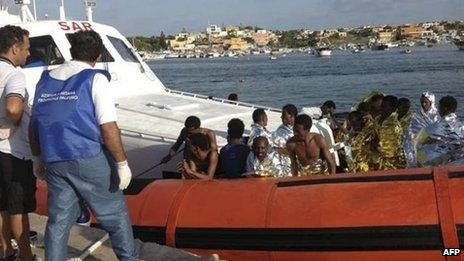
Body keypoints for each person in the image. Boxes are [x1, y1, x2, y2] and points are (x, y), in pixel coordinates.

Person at [29, 30, 137, 261]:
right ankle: (128, 258)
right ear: (97, 55)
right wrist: (122, 163)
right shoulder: (95, 78)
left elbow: (34, 123)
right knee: (115, 215)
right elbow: (108, 128)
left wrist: (37, 158)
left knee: (59, 220)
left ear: (71, 51)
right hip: (87, 156)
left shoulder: (45, 80)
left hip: (54, 160)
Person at [0, 25, 37, 261]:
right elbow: (14, 106)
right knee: (17, 208)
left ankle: (6, 252)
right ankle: (26, 256)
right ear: (15, 48)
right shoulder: (14, 75)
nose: (29, 53)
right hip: (13, 153)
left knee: (1, 205)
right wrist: (11, 124)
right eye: (27, 48)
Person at [416, 96, 464, 167]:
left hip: (441, 167)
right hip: (460, 165)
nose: (438, 110)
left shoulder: (434, 127)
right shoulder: (462, 125)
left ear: (445, 109)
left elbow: (417, 141)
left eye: (439, 107)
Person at [408, 92, 440, 166]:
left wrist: (432, 139)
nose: (423, 104)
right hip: (419, 145)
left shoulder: (437, 115)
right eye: (422, 102)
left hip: (434, 146)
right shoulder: (416, 114)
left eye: (426, 102)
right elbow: (411, 129)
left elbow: (441, 131)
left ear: (431, 102)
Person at [374, 95, 406, 170]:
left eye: (384, 106)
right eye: (381, 106)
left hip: (391, 164)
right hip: (379, 159)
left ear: (393, 108)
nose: (381, 108)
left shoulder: (393, 125)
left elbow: (389, 151)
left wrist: (374, 146)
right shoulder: (378, 119)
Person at [272, 104, 298, 176]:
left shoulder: (302, 128)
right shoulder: (280, 131)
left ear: (291, 116)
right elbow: (276, 149)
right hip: (287, 167)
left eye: (283, 115)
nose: (281, 117)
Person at [397, 98, 415, 167]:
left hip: (408, 145)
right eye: (404, 107)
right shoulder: (393, 117)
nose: (406, 109)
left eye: (408, 107)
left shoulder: (412, 117)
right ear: (398, 107)